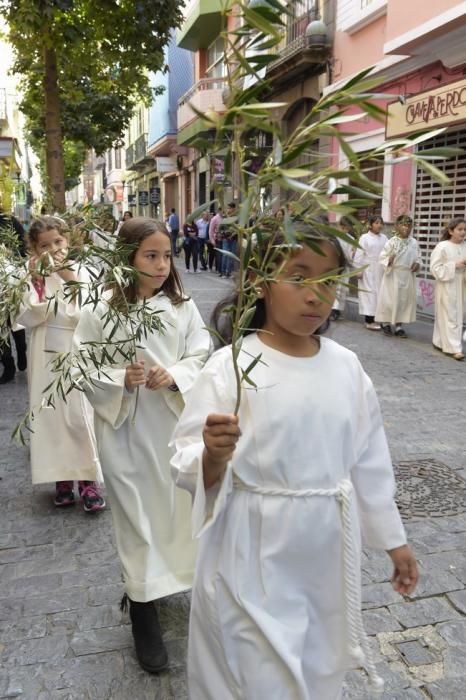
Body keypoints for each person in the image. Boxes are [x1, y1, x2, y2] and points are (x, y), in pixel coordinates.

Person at [171, 227, 418, 699]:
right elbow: (184, 457)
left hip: (322, 552)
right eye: (298, 276)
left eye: (329, 281)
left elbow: (368, 460)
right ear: (261, 281)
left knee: (314, 665)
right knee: (256, 673)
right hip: (251, 551)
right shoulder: (231, 367)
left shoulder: (347, 367)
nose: (315, 295)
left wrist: (394, 540)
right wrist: (212, 454)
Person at [72, 217, 211, 673]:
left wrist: (176, 375)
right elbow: (81, 362)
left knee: (174, 512)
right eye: (150, 255)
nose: (161, 264)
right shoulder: (100, 310)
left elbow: (201, 350)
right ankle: (143, 610)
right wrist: (120, 378)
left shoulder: (182, 306)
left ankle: (167, 581)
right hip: (126, 432)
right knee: (135, 518)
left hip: (171, 429)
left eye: (166, 255)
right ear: (126, 257)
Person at [14, 216, 105, 510]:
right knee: (51, 417)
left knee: (79, 415)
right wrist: (38, 286)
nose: (53, 249)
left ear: (68, 241)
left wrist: (70, 279)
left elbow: (95, 312)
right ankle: (61, 479)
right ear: (35, 249)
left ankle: (88, 481)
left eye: (58, 242)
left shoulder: (82, 271)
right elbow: (25, 316)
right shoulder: (31, 276)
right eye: (45, 245)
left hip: (77, 352)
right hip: (44, 355)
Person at [375, 215, 421, 338]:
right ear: (396, 226)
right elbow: (382, 258)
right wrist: (388, 260)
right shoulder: (391, 242)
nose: (406, 228)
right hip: (393, 275)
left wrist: (417, 264)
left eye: (409, 225)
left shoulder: (414, 242)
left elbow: (418, 257)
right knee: (390, 301)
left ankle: (399, 326)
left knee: (403, 302)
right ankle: (385, 323)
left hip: (407, 276)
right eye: (403, 225)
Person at [430, 217, 466, 360]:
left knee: (456, 316)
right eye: (460, 229)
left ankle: (439, 341)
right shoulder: (442, 246)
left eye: (464, 229)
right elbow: (434, 268)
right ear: (451, 231)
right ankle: (454, 348)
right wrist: (454, 266)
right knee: (450, 316)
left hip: (461, 285)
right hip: (447, 286)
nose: (463, 232)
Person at [0, 208, 27, 383]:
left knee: (15, 318)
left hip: (12, 276)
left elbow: (23, 244)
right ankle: (8, 364)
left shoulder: (10, 221)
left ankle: (21, 350)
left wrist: (17, 263)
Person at [353, 215, 387, 330]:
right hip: (368, 269)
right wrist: (358, 269)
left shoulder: (384, 238)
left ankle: (378, 318)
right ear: (371, 224)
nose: (379, 225)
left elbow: (388, 252)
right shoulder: (364, 237)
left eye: (381, 223)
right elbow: (359, 254)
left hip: (381, 269)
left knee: (379, 294)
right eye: (376, 223)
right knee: (369, 294)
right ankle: (369, 320)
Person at [330, 216, 357, 321]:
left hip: (344, 266)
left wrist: (352, 255)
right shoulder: (334, 237)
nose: (344, 229)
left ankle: (337, 309)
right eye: (342, 227)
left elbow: (350, 255)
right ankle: (332, 309)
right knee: (335, 287)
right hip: (334, 265)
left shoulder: (351, 239)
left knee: (342, 289)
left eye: (347, 227)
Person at [219, 201, 237, 278]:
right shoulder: (225, 217)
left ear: (234, 209)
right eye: (228, 208)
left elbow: (239, 228)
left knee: (231, 256)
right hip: (226, 239)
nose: (228, 209)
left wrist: (233, 233)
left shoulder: (236, 217)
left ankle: (228, 272)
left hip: (233, 239)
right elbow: (220, 228)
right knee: (225, 255)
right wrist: (224, 233)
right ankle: (223, 272)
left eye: (230, 208)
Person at [209, 207, 223, 273]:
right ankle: (219, 270)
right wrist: (212, 240)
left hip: (224, 239)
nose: (224, 212)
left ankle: (221, 269)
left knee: (222, 255)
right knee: (218, 255)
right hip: (217, 239)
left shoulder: (225, 218)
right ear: (219, 210)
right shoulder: (214, 219)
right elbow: (211, 230)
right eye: (223, 210)